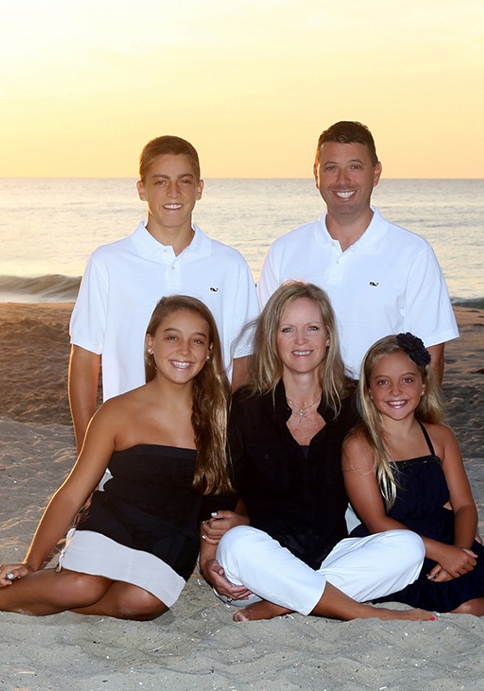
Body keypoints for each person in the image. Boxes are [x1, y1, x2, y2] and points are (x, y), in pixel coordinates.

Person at [0, 296, 233, 625]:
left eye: (197, 340)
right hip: (113, 524)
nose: (184, 350)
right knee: (81, 585)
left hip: (171, 537)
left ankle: (41, 599)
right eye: (172, 337)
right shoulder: (117, 412)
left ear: (209, 351)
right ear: (150, 343)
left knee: (141, 603)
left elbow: (229, 493)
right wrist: (32, 561)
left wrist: (217, 543)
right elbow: (73, 492)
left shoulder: (222, 415)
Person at [199, 282, 431, 623]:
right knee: (238, 542)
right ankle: (360, 610)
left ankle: (284, 602)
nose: (301, 341)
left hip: (334, 557)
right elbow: (220, 492)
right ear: (272, 339)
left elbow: (407, 459)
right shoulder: (246, 406)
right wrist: (207, 564)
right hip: (261, 566)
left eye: (312, 328)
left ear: (328, 337)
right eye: (288, 330)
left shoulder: (356, 403)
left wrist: (452, 514)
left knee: (409, 548)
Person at [69, 135, 259, 452]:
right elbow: (85, 359)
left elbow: (244, 364)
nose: (173, 193)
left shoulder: (230, 265)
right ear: (142, 189)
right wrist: (87, 452)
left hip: (207, 445)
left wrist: (234, 446)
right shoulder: (108, 263)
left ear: (199, 188)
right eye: (161, 182)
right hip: (127, 445)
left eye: (184, 181)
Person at [342, 333, 484, 615]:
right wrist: (441, 554)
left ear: (424, 386)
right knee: (467, 607)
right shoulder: (360, 445)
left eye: (407, 380)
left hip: (445, 531)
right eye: (382, 382)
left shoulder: (440, 437)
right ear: (368, 391)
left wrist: (460, 553)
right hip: (395, 544)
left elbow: (463, 505)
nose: (396, 390)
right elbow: (376, 520)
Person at [257, 121, 458, 385]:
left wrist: (415, 424)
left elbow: (430, 354)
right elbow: (264, 346)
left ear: (376, 173)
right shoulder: (283, 250)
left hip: (378, 415)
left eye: (355, 167)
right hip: (298, 415)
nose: (343, 180)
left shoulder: (413, 254)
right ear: (316, 175)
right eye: (331, 168)